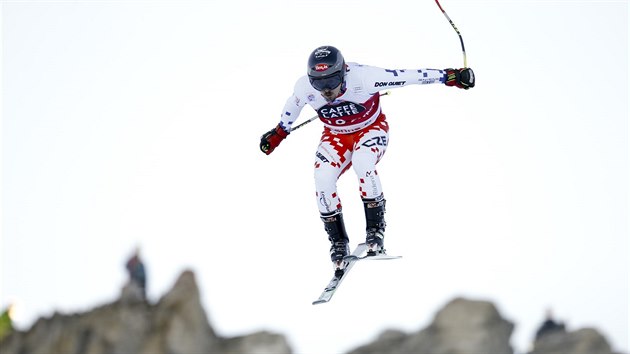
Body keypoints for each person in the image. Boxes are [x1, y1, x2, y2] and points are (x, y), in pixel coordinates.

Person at [260, 46, 475, 276]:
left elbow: (408, 76)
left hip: (371, 130)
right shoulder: (305, 87)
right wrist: (280, 131)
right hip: (335, 137)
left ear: (343, 72)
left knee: (363, 162)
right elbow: (294, 104)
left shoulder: (365, 78)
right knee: (322, 178)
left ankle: (375, 230)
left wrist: (450, 76)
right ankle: (338, 243)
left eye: (332, 81)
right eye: (318, 83)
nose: (326, 90)